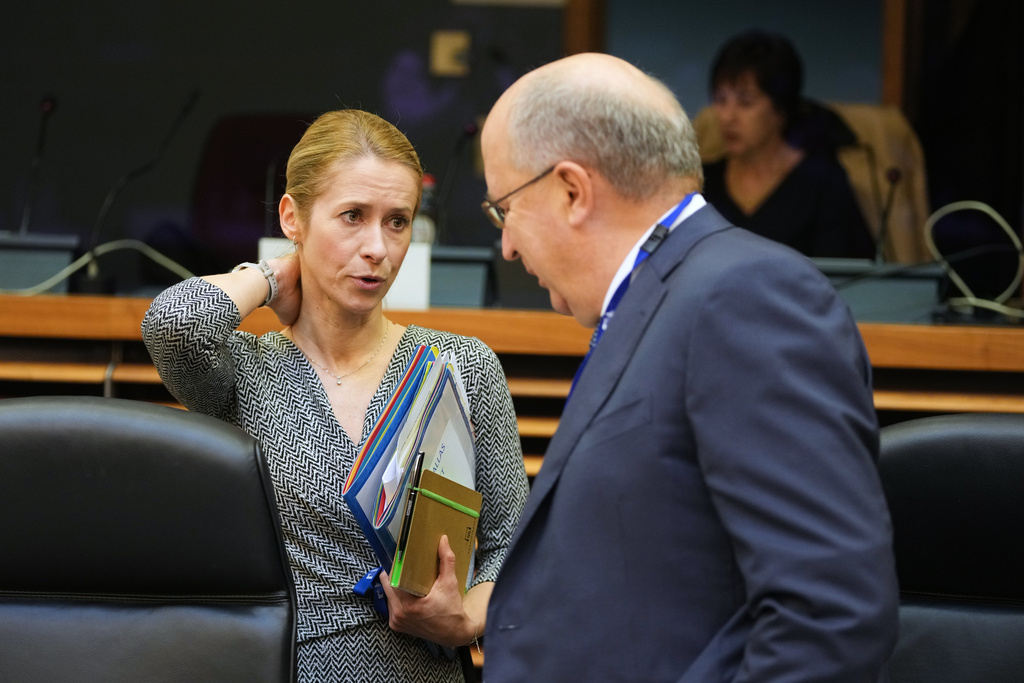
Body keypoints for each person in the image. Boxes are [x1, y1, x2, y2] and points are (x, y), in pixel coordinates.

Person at [479, 53, 899, 681]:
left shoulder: (745, 296)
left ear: (572, 190)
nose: (507, 245)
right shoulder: (662, 296)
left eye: (504, 209)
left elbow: (829, 618)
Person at [142, 109, 528, 682]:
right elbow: (174, 323)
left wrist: (466, 619)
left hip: (423, 668)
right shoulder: (244, 372)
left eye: (398, 222)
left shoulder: (460, 364)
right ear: (292, 217)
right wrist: (274, 277)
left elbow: (514, 547)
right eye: (352, 216)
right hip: (284, 666)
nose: (377, 246)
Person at [702, 30, 874, 258]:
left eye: (745, 102)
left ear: (780, 110)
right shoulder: (701, 183)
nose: (727, 116)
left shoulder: (822, 183)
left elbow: (842, 274)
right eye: (721, 100)